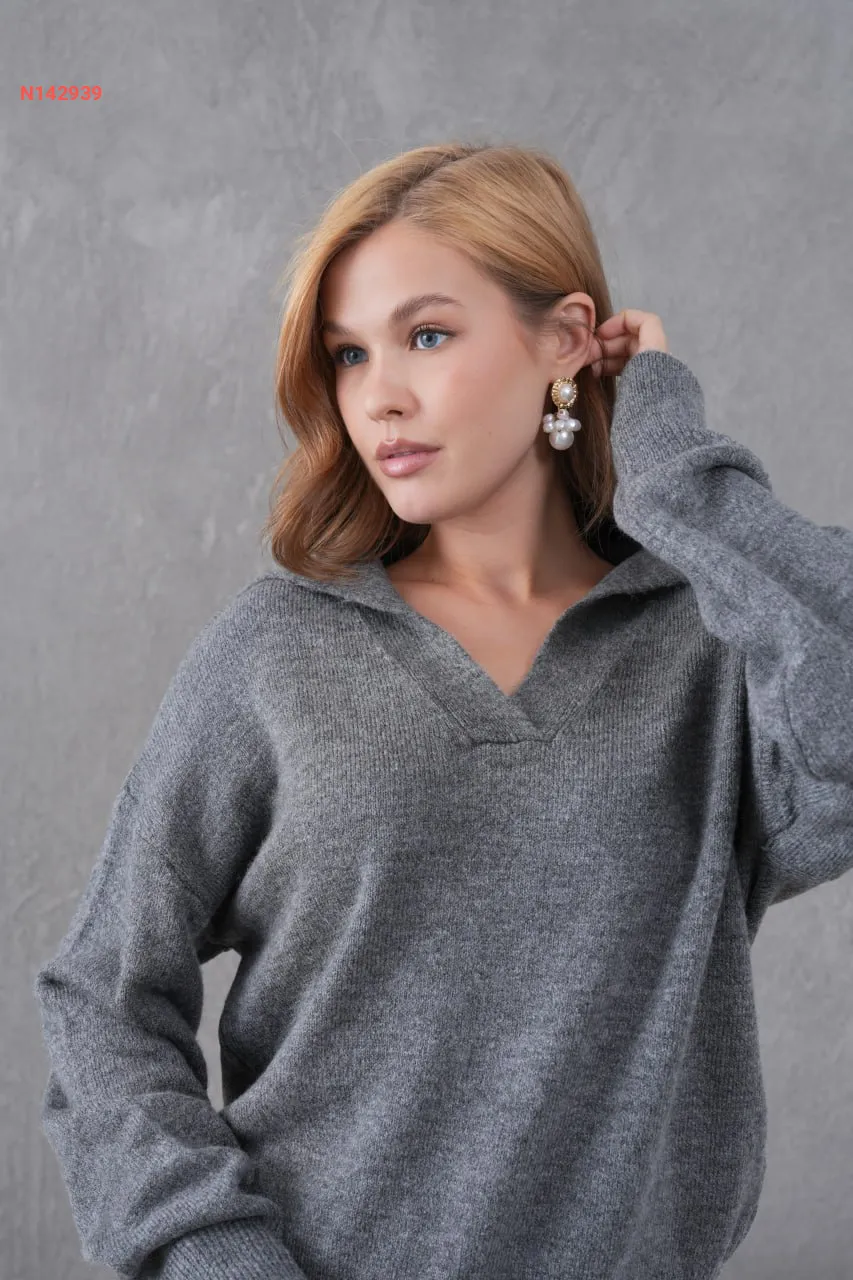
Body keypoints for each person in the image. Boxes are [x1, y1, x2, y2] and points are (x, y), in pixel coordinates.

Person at [33, 141, 853, 1280]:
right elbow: (101, 997)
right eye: (348, 353)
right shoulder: (277, 651)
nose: (379, 394)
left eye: (426, 335)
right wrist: (215, 1256)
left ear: (565, 339)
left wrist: (674, 469)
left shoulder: (711, 646)